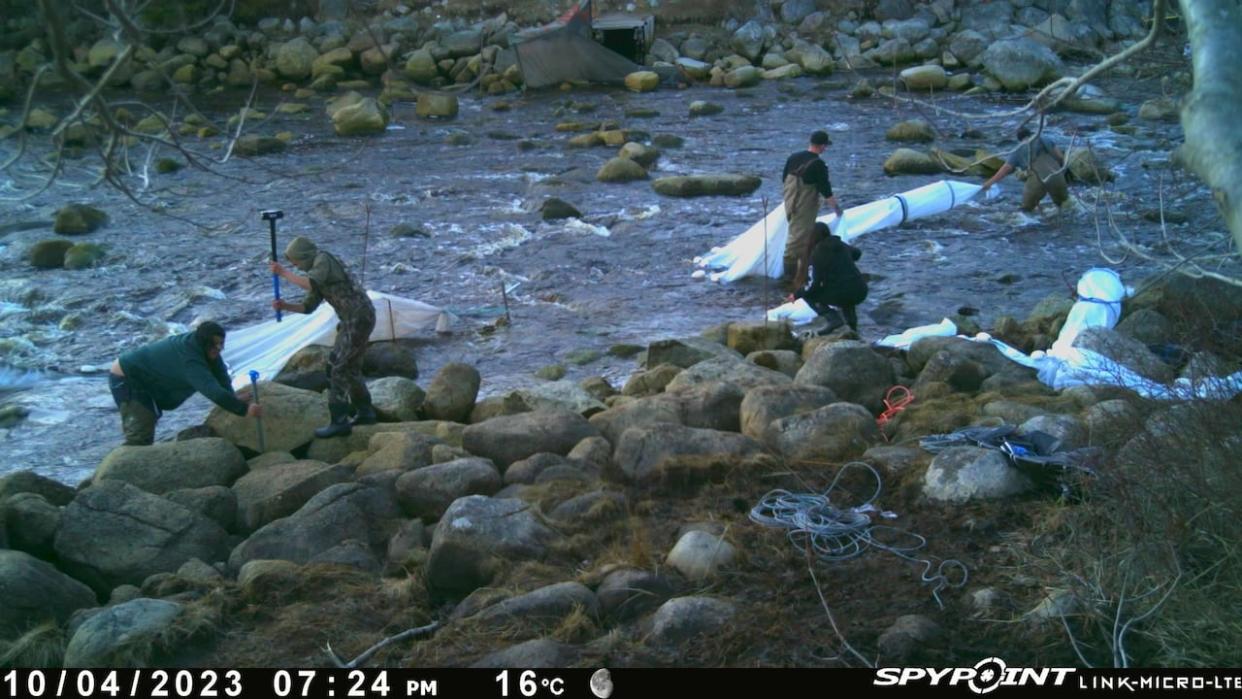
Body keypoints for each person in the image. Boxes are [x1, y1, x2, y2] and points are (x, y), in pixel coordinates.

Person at [271, 236, 376, 438]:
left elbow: (309, 283)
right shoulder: (316, 274)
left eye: (296, 263)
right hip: (349, 320)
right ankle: (365, 412)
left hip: (359, 317)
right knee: (349, 366)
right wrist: (285, 306)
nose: (297, 267)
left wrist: (283, 273)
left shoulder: (323, 260)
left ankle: (339, 421)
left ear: (305, 256)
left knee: (337, 367)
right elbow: (308, 307)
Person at [109, 322, 261, 446]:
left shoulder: (204, 347)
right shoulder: (190, 359)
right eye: (215, 345)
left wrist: (232, 397)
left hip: (147, 377)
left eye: (221, 343)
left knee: (147, 424)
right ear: (204, 343)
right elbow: (212, 390)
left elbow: (221, 375)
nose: (219, 348)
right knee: (140, 436)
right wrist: (244, 410)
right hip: (127, 378)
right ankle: (118, 476)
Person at [782, 130, 843, 290]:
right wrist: (837, 210)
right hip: (804, 204)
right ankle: (789, 279)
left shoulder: (793, 157)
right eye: (825, 146)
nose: (825, 149)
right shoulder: (818, 164)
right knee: (798, 238)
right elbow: (826, 191)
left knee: (800, 235)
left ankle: (800, 273)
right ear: (822, 146)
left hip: (789, 201)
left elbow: (783, 179)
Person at [792, 222, 868, 333]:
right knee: (846, 290)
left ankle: (833, 320)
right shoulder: (840, 244)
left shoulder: (817, 253)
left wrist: (796, 294)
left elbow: (814, 284)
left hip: (844, 292)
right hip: (861, 290)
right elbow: (857, 253)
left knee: (809, 295)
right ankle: (853, 327)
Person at [981, 125, 1069, 211]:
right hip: (1056, 174)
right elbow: (1060, 157)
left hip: (1037, 179)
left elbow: (1005, 169)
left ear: (1019, 139)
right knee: (1063, 205)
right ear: (1030, 134)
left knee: (1026, 210)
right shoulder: (1044, 139)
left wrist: (989, 183)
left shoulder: (1018, 150)